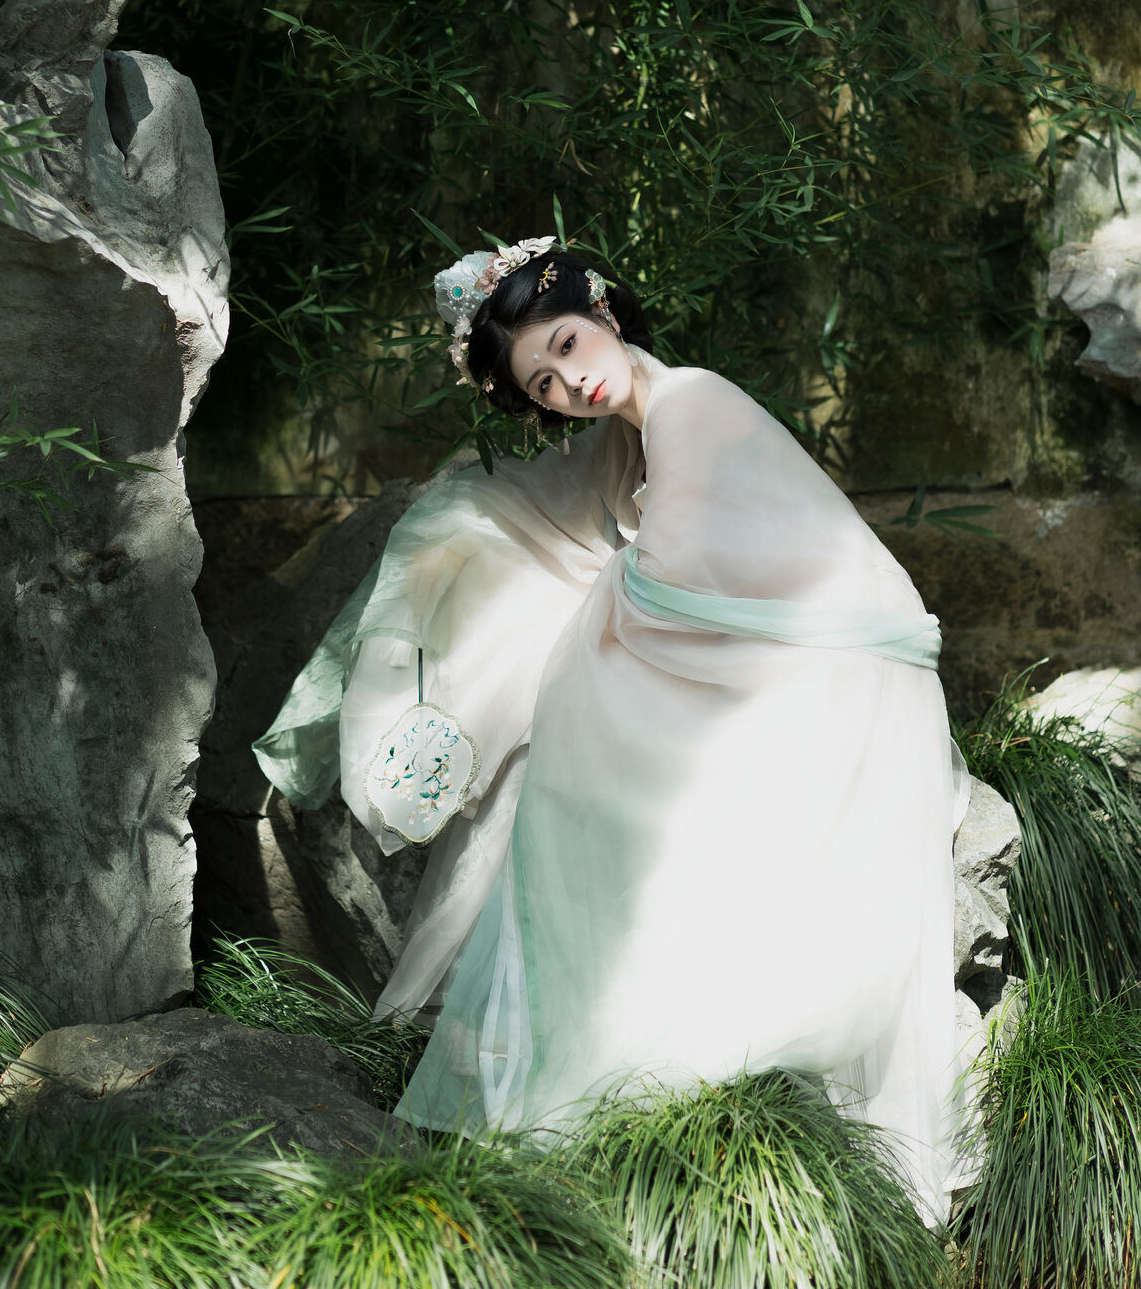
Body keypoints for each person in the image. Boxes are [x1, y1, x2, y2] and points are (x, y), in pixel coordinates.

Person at [253, 237, 968, 1223]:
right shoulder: (633, 430)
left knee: (578, 710)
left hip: (843, 669)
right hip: (787, 655)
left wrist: (580, 623)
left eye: (566, 345)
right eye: (543, 383)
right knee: (554, 673)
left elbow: (678, 582)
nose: (569, 383)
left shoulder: (690, 402)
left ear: (604, 312)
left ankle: (600, 1053)